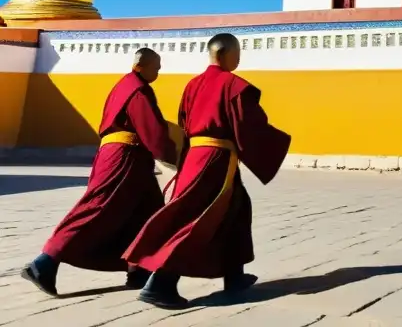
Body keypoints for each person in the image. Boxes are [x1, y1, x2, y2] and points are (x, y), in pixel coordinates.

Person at [124, 33, 292, 309]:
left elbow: (184, 121)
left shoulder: (192, 85)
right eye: (238, 53)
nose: (239, 59)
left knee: (237, 209)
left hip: (195, 156)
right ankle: (161, 282)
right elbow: (248, 125)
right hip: (217, 159)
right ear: (227, 54)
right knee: (199, 218)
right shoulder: (235, 86)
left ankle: (234, 275)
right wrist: (278, 140)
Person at [21, 48, 177, 297]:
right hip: (125, 157)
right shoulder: (137, 90)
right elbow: (153, 131)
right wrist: (172, 156)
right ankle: (46, 261)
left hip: (130, 158)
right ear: (141, 66)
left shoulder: (123, 87)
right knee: (99, 207)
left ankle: (139, 269)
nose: (158, 71)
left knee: (147, 212)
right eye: (156, 66)